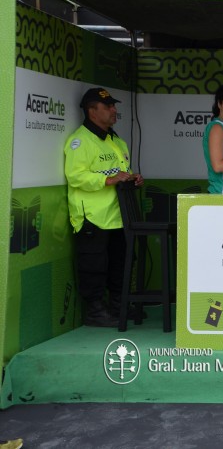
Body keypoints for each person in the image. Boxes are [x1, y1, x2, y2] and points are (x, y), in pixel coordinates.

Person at [64, 87, 144, 327]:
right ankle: (95, 312)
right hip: (93, 217)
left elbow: (120, 171)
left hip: (118, 215)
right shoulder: (80, 141)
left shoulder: (115, 140)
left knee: (120, 263)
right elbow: (75, 176)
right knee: (94, 266)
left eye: (113, 105)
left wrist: (131, 178)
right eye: (108, 106)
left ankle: (119, 306)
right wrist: (108, 180)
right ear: (91, 110)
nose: (114, 110)